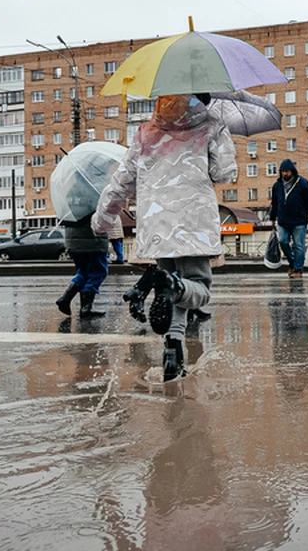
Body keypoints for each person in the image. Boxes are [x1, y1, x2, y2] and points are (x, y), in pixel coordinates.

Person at [92, 93, 237, 381]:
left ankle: (173, 353)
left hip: (158, 222)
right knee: (197, 288)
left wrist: (103, 219)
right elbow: (223, 174)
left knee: (176, 291)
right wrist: (223, 143)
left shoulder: (147, 131)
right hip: (194, 221)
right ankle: (168, 283)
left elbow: (122, 181)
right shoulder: (212, 125)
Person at [269, 159, 308, 278]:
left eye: (287, 171)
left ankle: (298, 270)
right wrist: (272, 217)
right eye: (283, 171)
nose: (285, 174)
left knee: (299, 245)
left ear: (292, 171)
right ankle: (292, 262)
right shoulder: (277, 185)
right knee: (283, 241)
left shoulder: (302, 183)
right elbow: (275, 202)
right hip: (283, 220)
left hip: (299, 220)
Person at [56, 214, 109, 318]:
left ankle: (66, 299)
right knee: (98, 272)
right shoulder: (94, 199)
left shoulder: (68, 199)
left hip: (73, 240)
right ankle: (86, 308)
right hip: (93, 239)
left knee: (83, 271)